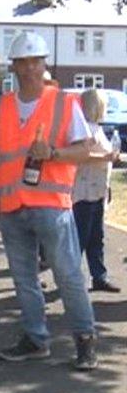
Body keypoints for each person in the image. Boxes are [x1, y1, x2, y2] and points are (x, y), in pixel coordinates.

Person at [0, 31, 99, 370]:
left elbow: (85, 150)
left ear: (44, 64)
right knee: (24, 279)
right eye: (21, 63)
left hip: (52, 205)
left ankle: (85, 340)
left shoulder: (64, 102)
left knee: (67, 275)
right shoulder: (1, 107)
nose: (27, 69)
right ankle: (35, 339)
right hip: (12, 206)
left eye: (33, 62)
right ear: (13, 67)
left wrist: (53, 153)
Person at [73, 89, 120, 293]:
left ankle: (99, 276)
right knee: (81, 237)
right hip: (84, 191)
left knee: (96, 237)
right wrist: (106, 158)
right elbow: (82, 156)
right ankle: (72, 278)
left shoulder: (96, 128)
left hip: (97, 189)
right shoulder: (84, 129)